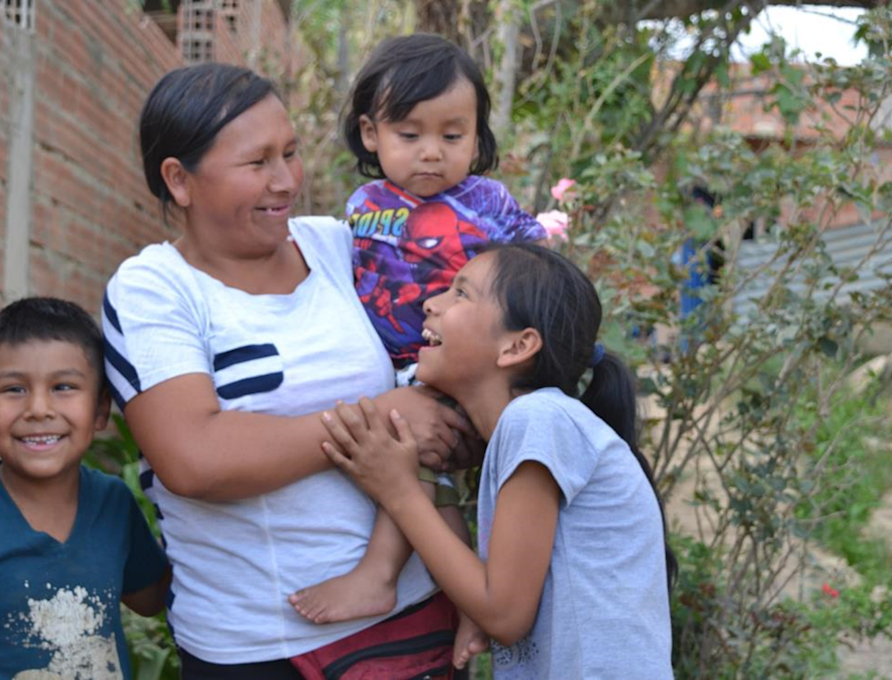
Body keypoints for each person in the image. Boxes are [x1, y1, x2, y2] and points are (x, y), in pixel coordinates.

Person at [103, 62, 474, 678]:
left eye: (292, 153)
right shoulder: (154, 289)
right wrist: (382, 417)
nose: (286, 181)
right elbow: (194, 458)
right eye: (258, 163)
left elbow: (446, 345)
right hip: (261, 646)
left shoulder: (344, 247)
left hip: (416, 625)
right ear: (180, 180)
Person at [290, 32, 546, 638]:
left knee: (408, 462)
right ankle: (467, 602)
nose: (431, 152)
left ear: (477, 136)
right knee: (434, 479)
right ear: (371, 134)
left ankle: (380, 574)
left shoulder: (488, 200)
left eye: (452, 136)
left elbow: (536, 260)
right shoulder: (363, 204)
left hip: (456, 363)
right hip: (391, 363)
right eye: (410, 135)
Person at [321, 243, 677, 678]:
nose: (430, 303)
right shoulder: (531, 428)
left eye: (461, 294)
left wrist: (397, 490)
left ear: (517, 346)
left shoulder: (537, 419)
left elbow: (505, 616)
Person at [0, 297, 170, 680]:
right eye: (14, 389)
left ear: (99, 411)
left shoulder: (113, 503)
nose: (39, 408)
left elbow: (150, 598)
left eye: (63, 386)